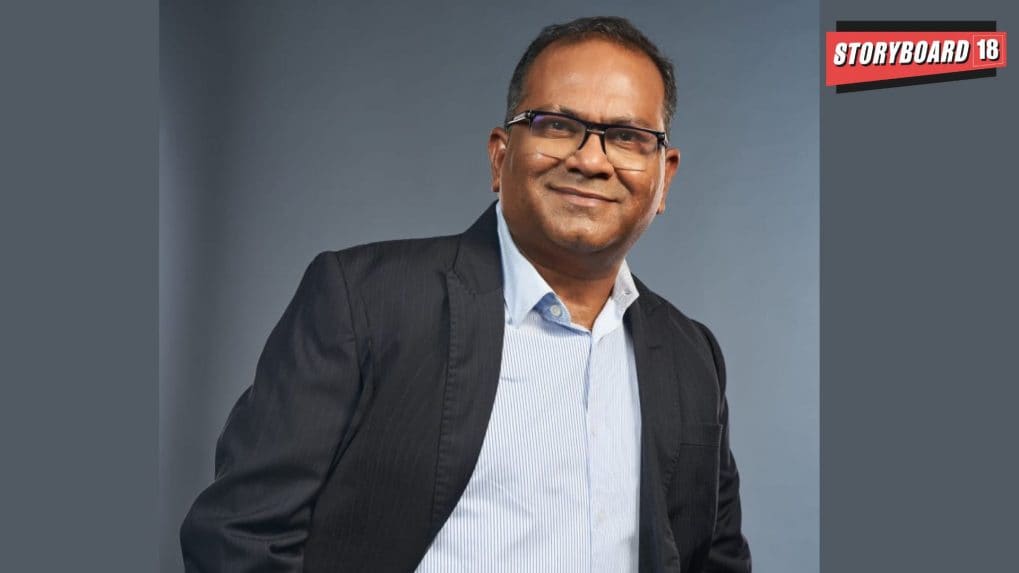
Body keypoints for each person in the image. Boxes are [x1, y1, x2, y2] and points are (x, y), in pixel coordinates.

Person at [180, 16, 751, 573]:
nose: (590, 159)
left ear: (664, 177)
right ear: (500, 157)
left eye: (627, 137)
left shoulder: (692, 359)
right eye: (556, 125)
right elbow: (238, 537)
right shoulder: (364, 302)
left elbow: (716, 559)